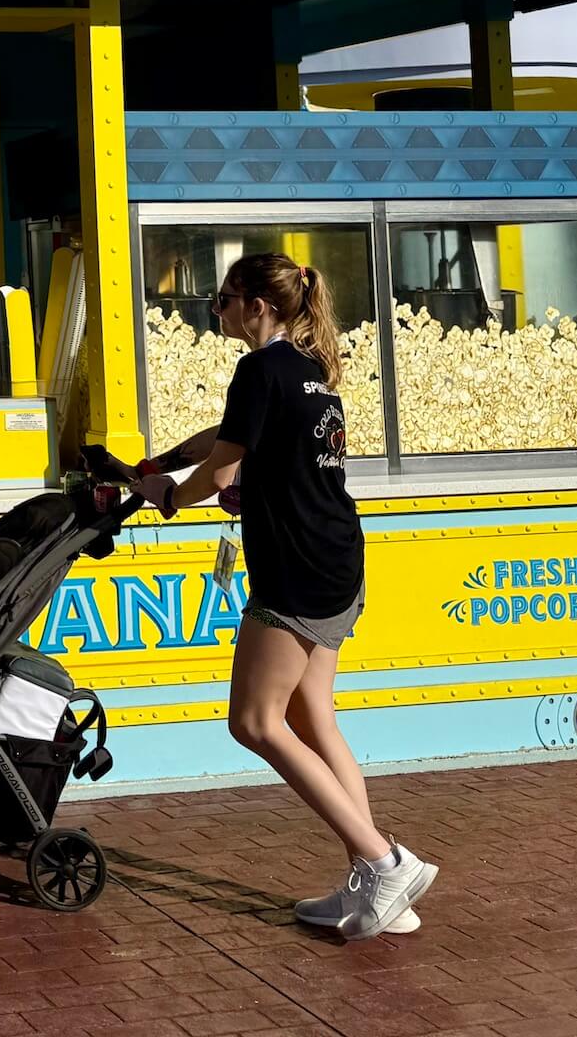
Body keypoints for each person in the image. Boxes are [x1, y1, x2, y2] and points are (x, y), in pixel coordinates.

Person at [130, 253, 436, 941]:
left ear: (257, 306)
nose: (216, 310)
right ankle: (377, 890)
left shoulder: (259, 369)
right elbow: (231, 440)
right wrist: (164, 464)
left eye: (224, 299)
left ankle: (385, 863)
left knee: (254, 722)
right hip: (339, 559)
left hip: (295, 568)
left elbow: (222, 470)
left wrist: (169, 497)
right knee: (312, 716)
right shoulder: (309, 366)